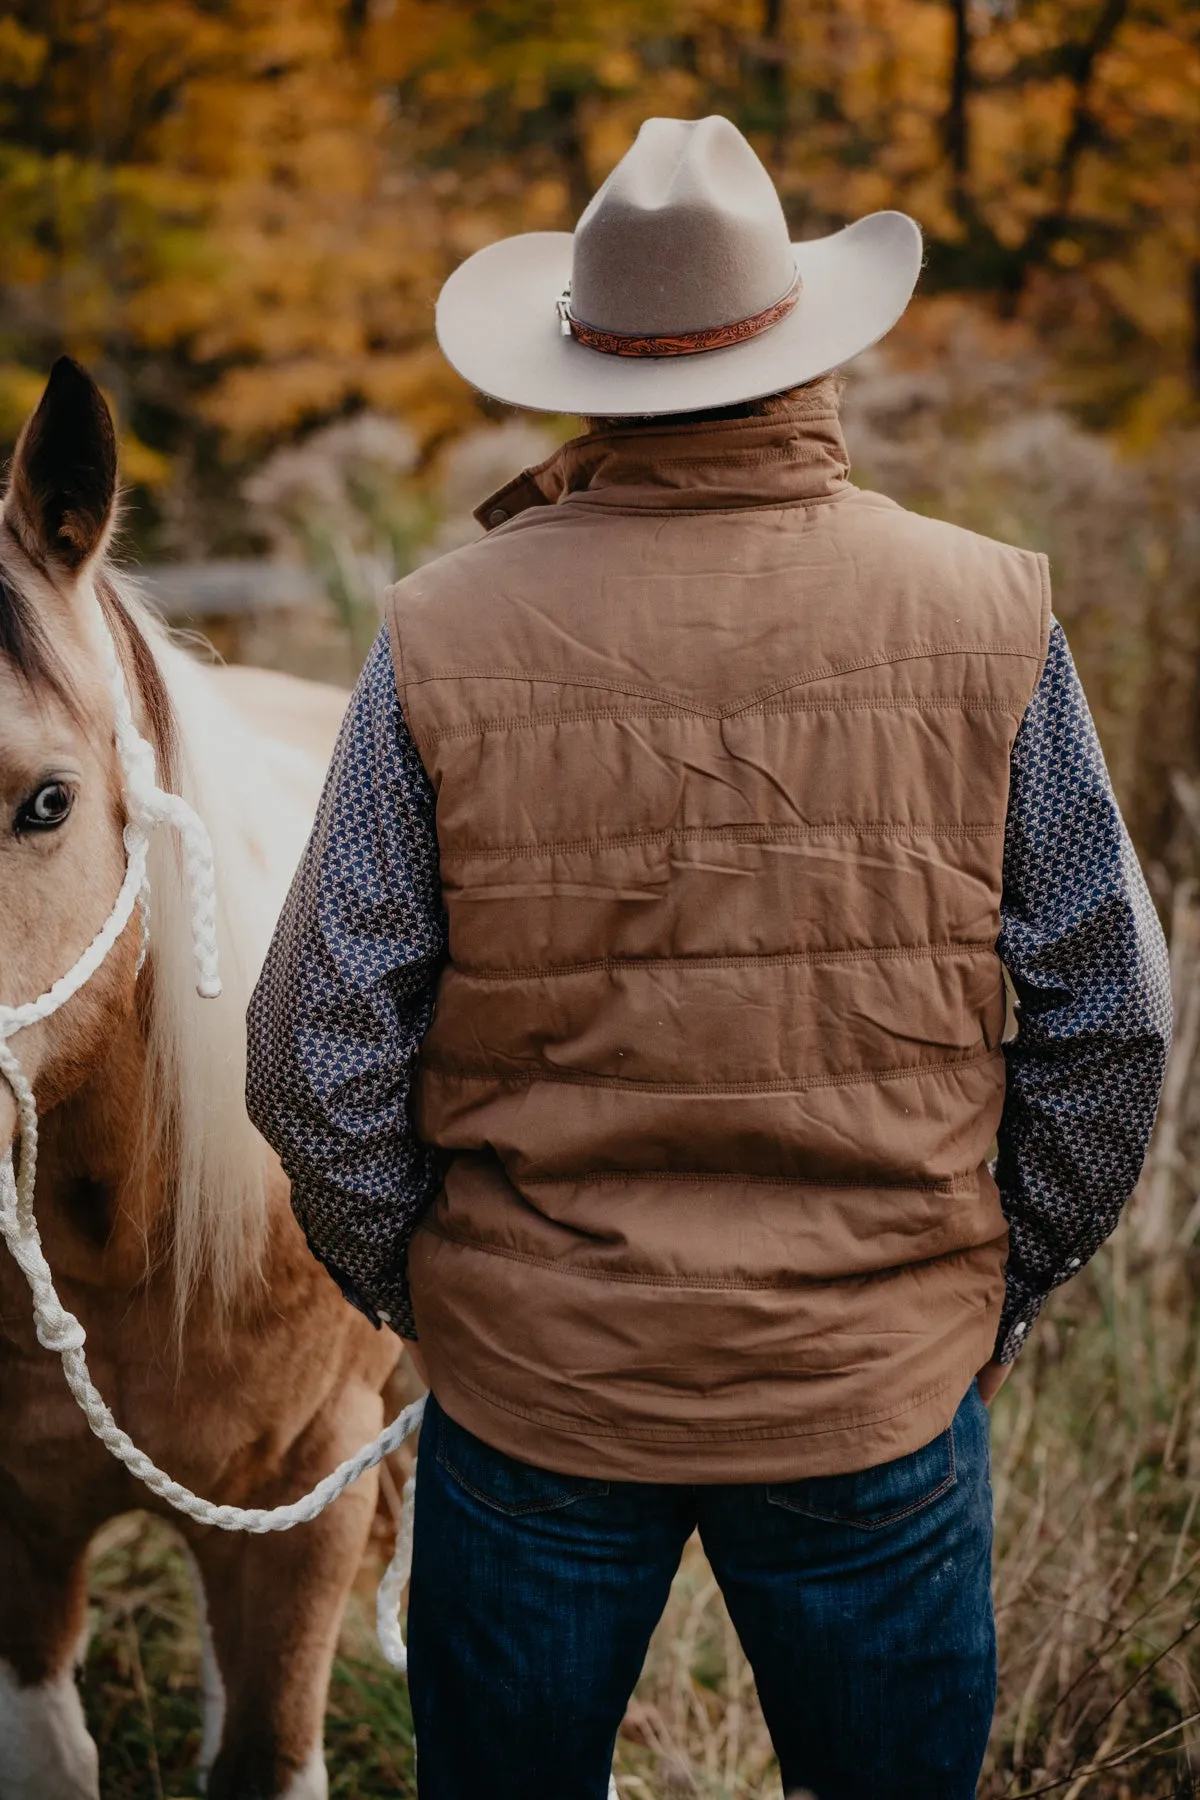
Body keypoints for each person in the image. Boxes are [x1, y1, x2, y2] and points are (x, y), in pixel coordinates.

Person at [247, 116, 1171, 1800]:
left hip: (533, 1389)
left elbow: (317, 1053)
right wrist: (984, 1283)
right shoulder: (988, 614)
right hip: (873, 1381)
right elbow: (1113, 1013)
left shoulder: (440, 633)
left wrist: (433, 1289)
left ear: (590, 369)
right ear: (805, 352)